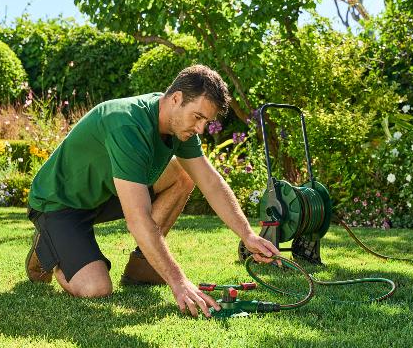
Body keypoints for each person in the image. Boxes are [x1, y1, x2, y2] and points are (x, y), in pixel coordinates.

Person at [24, 64, 281, 318]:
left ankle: (140, 269)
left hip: (104, 195)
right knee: (96, 289)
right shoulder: (127, 124)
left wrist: (248, 235)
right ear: (176, 99)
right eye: (198, 117)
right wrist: (179, 282)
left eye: (207, 121)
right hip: (58, 203)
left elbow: (210, 182)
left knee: (183, 174)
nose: (201, 129)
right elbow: (138, 218)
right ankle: (47, 244)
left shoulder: (179, 128)